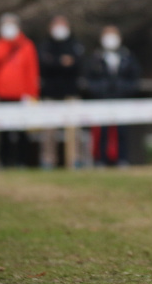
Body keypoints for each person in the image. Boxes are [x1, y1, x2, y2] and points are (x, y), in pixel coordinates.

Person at [81, 26, 141, 167]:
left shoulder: (127, 57)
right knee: (102, 132)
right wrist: (101, 89)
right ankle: (101, 160)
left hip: (122, 99)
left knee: (122, 132)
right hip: (102, 99)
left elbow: (135, 79)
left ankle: (123, 159)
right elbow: (88, 80)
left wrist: (122, 88)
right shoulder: (95, 58)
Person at [0, 13, 40, 168]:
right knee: (4, 132)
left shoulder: (27, 46)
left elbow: (32, 71)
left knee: (22, 131)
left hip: (22, 95)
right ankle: (5, 162)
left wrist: (32, 94)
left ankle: (23, 162)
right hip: (3, 95)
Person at [37, 16, 85, 169]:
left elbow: (78, 64)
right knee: (49, 131)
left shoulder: (75, 44)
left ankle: (75, 160)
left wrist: (56, 62)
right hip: (51, 93)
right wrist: (62, 62)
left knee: (74, 130)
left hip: (71, 93)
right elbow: (44, 65)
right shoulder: (45, 45)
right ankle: (48, 160)